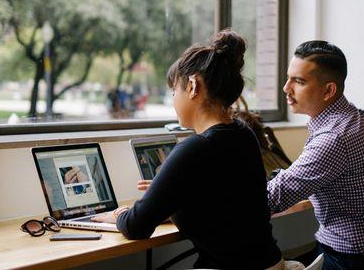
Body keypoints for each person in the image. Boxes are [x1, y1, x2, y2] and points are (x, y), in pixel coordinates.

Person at [94, 29, 301, 270]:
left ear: (192, 86)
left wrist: (120, 215)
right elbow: (223, 201)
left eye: (174, 91)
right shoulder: (244, 134)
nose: (173, 100)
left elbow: (136, 227)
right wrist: (168, 192)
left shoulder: (195, 148)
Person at [267, 41, 364, 270]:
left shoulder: (334, 137)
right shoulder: (353, 119)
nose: (286, 88)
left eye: (298, 81)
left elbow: (273, 199)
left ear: (329, 90)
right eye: (288, 78)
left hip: (353, 261)